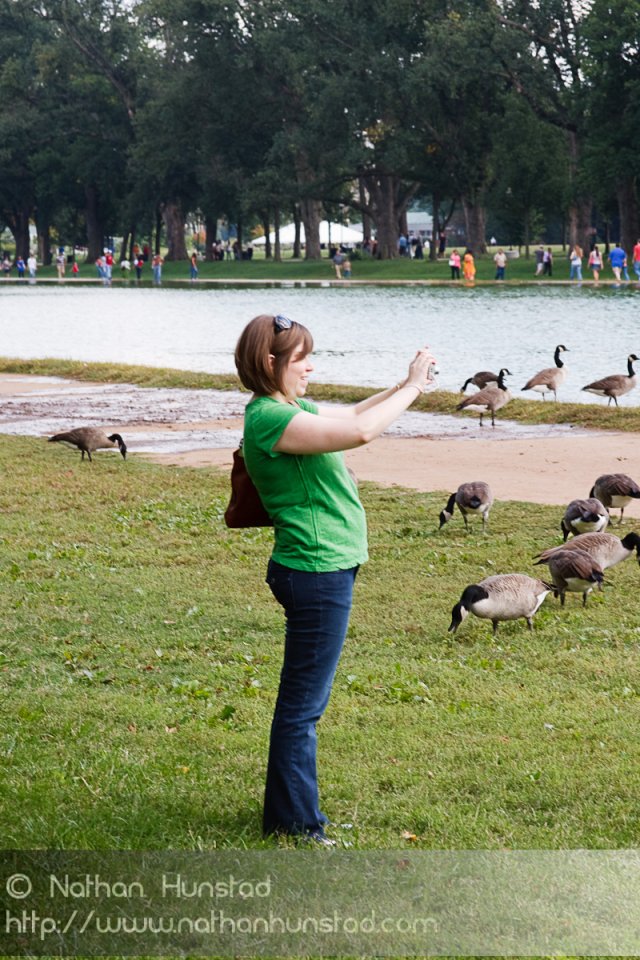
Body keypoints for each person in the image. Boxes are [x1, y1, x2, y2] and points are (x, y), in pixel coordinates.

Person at [234, 313, 436, 844]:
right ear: (270, 362)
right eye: (301, 359)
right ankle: (298, 826)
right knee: (302, 708)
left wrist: (401, 383)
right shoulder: (269, 418)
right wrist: (415, 389)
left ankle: (289, 815)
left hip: (322, 568)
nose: (310, 368)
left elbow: (351, 414)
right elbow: (361, 432)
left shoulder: (287, 409)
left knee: (302, 705)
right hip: (314, 571)